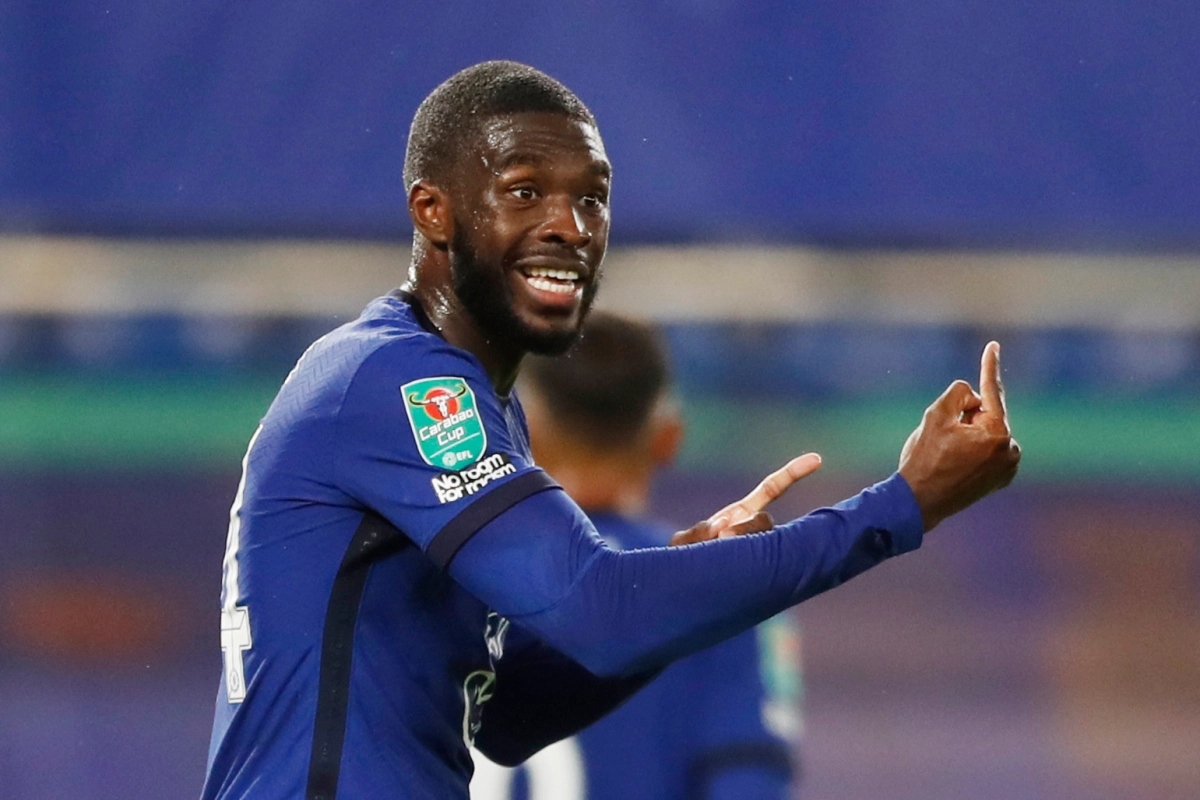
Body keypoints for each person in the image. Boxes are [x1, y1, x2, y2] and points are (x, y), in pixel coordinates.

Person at [201, 60, 1020, 800]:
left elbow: (506, 715)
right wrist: (901, 505)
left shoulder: (471, 400)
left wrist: (687, 569)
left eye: (591, 197)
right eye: (525, 191)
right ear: (433, 211)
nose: (570, 225)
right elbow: (598, 612)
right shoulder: (401, 380)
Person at [470, 310, 800, 800]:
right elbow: (747, 783)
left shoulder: (453, 575)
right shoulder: (719, 584)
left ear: (524, 430)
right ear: (669, 437)